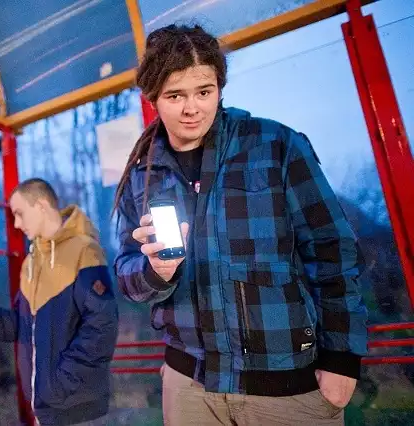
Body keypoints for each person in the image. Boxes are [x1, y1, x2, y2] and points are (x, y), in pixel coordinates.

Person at [113, 24, 368, 425]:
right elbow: (126, 274)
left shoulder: (275, 145)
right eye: (175, 95)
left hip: (287, 383)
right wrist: (153, 272)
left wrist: (341, 357)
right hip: (189, 384)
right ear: (152, 98)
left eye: (205, 91)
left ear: (220, 87)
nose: (192, 108)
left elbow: (332, 249)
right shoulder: (141, 174)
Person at [0, 178, 118, 426]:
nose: (16, 224)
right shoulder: (31, 262)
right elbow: (21, 325)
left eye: (19, 214)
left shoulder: (84, 250)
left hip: (77, 408)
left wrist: (62, 382)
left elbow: (103, 325)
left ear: (40, 206)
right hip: (44, 406)